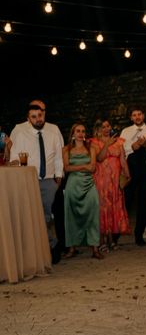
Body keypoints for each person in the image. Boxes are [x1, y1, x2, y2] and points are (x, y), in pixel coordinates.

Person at [9, 103, 64, 263]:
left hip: (49, 180)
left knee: (47, 216)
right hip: (28, 180)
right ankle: (50, 247)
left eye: (40, 115)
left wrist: (59, 177)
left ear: (44, 115)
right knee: (33, 216)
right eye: (34, 116)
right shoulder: (19, 132)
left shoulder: (53, 131)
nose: (38, 119)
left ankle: (48, 246)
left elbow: (59, 156)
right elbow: (13, 157)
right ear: (28, 118)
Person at [62, 123, 102, 260]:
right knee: (71, 215)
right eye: (78, 131)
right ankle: (72, 248)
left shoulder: (92, 148)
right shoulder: (66, 149)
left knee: (93, 213)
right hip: (73, 185)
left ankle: (95, 248)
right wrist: (85, 165)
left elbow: (92, 169)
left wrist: (78, 167)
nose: (81, 133)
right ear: (73, 133)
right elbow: (66, 169)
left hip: (89, 184)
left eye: (83, 131)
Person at [91, 118, 130, 251]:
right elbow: (99, 158)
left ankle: (112, 240)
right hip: (101, 180)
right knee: (103, 209)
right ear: (98, 129)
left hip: (115, 180)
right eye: (103, 126)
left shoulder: (119, 141)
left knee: (115, 207)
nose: (107, 129)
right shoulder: (94, 142)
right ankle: (102, 241)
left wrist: (127, 173)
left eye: (108, 126)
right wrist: (107, 144)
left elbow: (123, 159)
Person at [120, 107, 146, 246]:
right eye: (134, 115)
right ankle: (118, 233)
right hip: (131, 169)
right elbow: (121, 149)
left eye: (139, 114)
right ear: (131, 118)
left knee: (143, 204)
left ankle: (139, 235)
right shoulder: (126, 131)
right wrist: (133, 146)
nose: (137, 117)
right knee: (126, 202)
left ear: (143, 115)